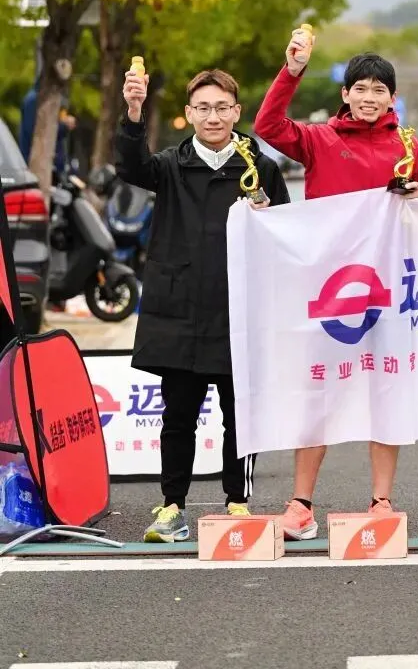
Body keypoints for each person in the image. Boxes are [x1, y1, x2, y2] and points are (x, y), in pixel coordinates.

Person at [254, 29, 418, 540]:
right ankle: (300, 505)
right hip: (329, 290)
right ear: (345, 94)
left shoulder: (407, 145)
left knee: (386, 389)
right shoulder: (319, 139)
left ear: (392, 98)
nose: (369, 97)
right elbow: (267, 126)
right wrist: (292, 71)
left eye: (379, 90)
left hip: (389, 292)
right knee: (318, 390)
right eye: (360, 88)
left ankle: (381, 500)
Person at [117, 67, 290, 543]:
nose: (213, 117)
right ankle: (171, 506)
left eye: (222, 108)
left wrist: (268, 218)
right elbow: (130, 167)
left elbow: (287, 235)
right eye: (204, 108)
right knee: (177, 418)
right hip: (181, 312)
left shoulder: (260, 168)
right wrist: (134, 111)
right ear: (189, 114)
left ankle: (238, 502)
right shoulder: (170, 166)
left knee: (241, 417)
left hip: (239, 311)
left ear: (237, 112)